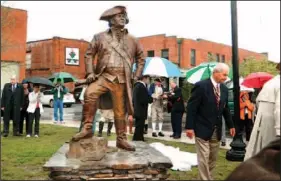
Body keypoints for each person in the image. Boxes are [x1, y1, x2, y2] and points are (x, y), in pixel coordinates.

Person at [72, 5, 145, 152]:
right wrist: (90, 72)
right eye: (119, 16)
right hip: (103, 76)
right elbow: (89, 54)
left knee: (120, 110)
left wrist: (136, 76)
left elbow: (141, 58)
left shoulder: (133, 40)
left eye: (124, 16)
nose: (122, 18)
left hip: (121, 79)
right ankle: (87, 128)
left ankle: (121, 139)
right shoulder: (99, 37)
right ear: (111, 20)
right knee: (89, 93)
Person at [185, 63, 235, 180]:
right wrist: (189, 127)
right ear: (216, 73)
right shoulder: (201, 86)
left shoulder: (224, 89)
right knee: (204, 157)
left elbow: (225, 108)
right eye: (224, 75)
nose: (225, 78)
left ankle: (208, 177)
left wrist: (231, 125)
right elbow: (192, 108)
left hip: (216, 130)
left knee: (212, 158)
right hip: (202, 128)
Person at [244, 60, 280, 161]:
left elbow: (257, 105)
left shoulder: (270, 83)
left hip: (263, 122)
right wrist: (279, 131)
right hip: (273, 124)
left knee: (260, 151)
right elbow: (279, 109)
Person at [132, 75, 153, 141]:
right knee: (139, 126)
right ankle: (137, 139)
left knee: (139, 126)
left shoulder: (136, 86)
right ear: (144, 78)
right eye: (148, 79)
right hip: (141, 109)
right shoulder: (141, 86)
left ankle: (139, 138)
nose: (149, 81)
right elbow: (144, 99)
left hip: (137, 109)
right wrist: (151, 98)